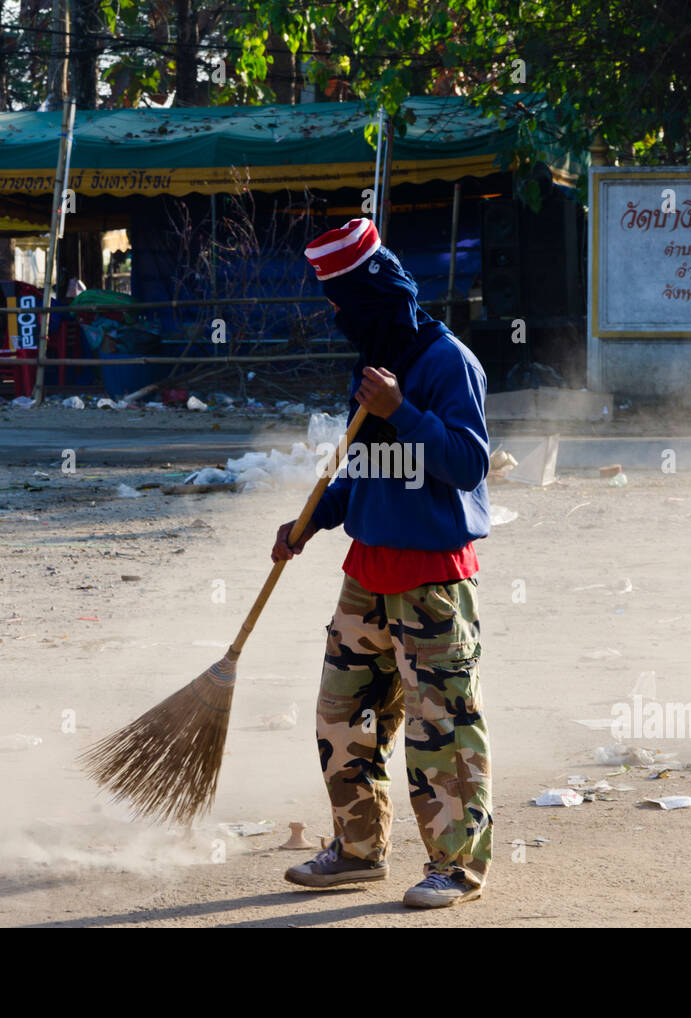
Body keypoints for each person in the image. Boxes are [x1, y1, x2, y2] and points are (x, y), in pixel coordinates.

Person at [275, 218, 492, 909]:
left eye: (340, 301)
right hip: (365, 573)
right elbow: (364, 468)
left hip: (432, 579)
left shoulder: (447, 361)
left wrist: (403, 411)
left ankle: (456, 869)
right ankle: (358, 851)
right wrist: (314, 520)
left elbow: (467, 463)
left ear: (372, 293)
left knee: (442, 729)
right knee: (344, 719)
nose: (335, 315)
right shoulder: (372, 359)